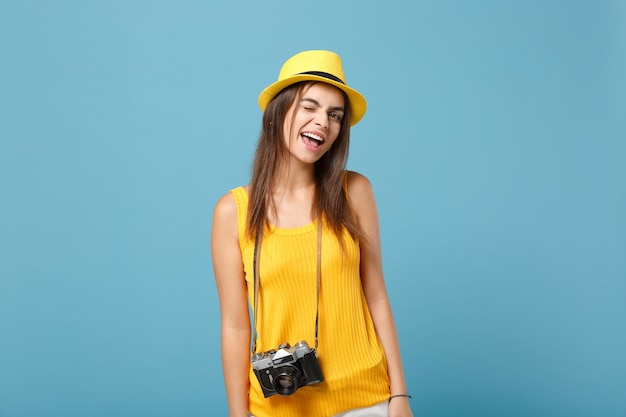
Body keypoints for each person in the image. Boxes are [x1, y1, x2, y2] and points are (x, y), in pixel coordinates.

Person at [211, 50, 414, 417]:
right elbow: (235, 326)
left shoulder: (355, 191)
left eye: (335, 116)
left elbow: (377, 297)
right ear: (280, 112)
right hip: (278, 406)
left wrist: (399, 396)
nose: (323, 122)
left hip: (365, 400)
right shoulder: (233, 212)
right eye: (310, 107)